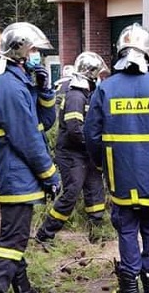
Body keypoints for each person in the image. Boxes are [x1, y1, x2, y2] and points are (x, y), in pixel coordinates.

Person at [84, 23, 149, 293]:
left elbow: (91, 135)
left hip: (120, 179)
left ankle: (130, 284)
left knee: (127, 231)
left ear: (120, 51)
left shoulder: (105, 89)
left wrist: (100, 165)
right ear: (148, 52)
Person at [0, 22, 61, 293]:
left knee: (16, 236)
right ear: (19, 51)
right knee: (13, 240)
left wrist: (44, 90)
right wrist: (49, 174)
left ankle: (23, 288)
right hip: (13, 173)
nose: (38, 54)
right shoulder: (9, 86)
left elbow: (44, 122)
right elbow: (27, 137)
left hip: (19, 172)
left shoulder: (20, 82)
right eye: (34, 49)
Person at [35, 52, 109, 246]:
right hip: (72, 154)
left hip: (87, 152)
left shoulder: (90, 93)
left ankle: (96, 233)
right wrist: (94, 144)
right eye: (98, 74)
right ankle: (45, 234)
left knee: (95, 191)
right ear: (90, 74)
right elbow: (75, 130)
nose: (100, 77)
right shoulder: (76, 95)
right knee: (71, 193)